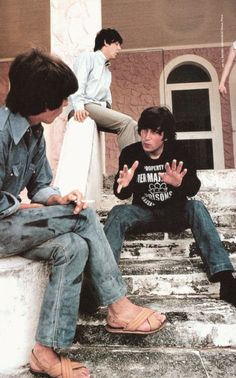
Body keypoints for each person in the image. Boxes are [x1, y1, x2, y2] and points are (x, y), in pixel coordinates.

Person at [0, 51, 166, 378]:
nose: (66, 104)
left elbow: (42, 185)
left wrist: (59, 198)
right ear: (42, 101)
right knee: (83, 216)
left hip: (13, 227)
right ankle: (117, 306)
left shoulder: (34, 134)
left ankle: (45, 351)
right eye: (61, 99)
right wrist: (45, 209)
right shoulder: (1, 133)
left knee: (73, 245)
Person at [104, 106, 236, 308]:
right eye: (144, 130)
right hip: (144, 214)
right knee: (118, 212)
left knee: (196, 207)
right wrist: (124, 185)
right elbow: (121, 193)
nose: (147, 137)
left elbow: (193, 188)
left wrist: (179, 183)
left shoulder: (179, 152)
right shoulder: (131, 153)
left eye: (154, 132)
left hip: (174, 213)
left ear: (164, 135)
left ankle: (226, 279)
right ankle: (102, 281)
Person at [69, 28, 139, 151]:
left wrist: (109, 112)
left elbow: (106, 99)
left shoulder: (107, 71)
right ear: (106, 42)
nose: (119, 49)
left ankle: (138, 166)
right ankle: (127, 168)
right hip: (85, 106)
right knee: (126, 122)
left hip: (97, 108)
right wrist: (79, 107)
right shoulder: (88, 57)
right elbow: (78, 83)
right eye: (116, 44)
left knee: (134, 125)